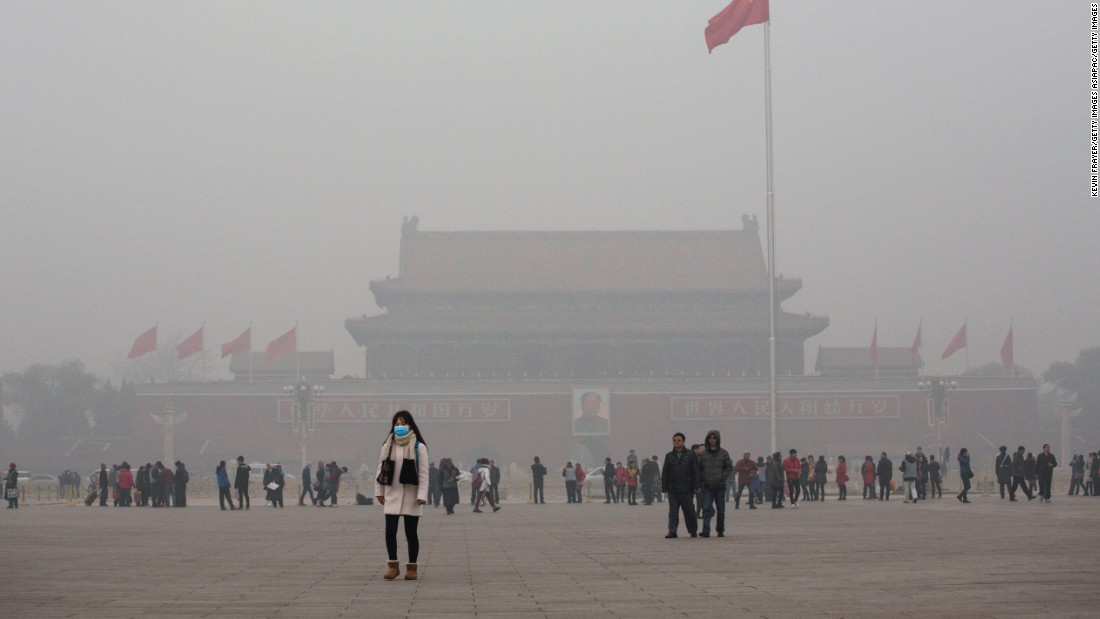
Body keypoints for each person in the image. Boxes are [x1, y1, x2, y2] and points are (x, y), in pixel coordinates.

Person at [375, 410, 430, 581]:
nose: (400, 427)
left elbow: (423, 473)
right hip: (392, 493)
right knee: (390, 531)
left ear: (411, 425)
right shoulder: (388, 445)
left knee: (411, 532)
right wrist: (379, 491)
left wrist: (422, 495)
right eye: (397, 424)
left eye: (403, 424)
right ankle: (393, 565)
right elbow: (380, 469)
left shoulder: (418, 447)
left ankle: (412, 567)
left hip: (411, 496)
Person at [662, 432, 700, 538]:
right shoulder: (669, 456)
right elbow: (665, 472)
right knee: (673, 512)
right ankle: (672, 531)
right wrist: (664, 487)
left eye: (678, 440)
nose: (676, 442)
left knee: (689, 511)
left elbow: (696, 470)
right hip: (673, 489)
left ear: (683, 441)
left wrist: (697, 485)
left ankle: (693, 530)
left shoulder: (690, 454)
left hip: (687, 489)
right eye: (674, 440)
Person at [697, 429, 732, 538]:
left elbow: (729, 467)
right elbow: (699, 469)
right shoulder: (703, 454)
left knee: (721, 510)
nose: (712, 440)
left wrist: (723, 477)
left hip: (720, 486)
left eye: (714, 438)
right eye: (710, 438)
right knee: (706, 508)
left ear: (718, 439)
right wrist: (703, 478)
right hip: (707, 486)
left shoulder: (723, 453)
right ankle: (706, 530)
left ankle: (720, 530)